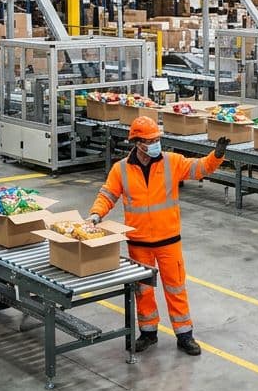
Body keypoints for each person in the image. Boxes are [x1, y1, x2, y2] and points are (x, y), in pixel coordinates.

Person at [89, 116, 230, 356]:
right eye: (151, 140)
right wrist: (95, 215)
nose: (156, 144)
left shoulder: (171, 162)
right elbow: (107, 195)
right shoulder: (121, 169)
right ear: (137, 143)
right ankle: (148, 332)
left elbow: (200, 169)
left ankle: (184, 335)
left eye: (157, 139)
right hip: (139, 242)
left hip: (168, 241)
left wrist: (216, 155)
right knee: (143, 290)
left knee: (175, 287)